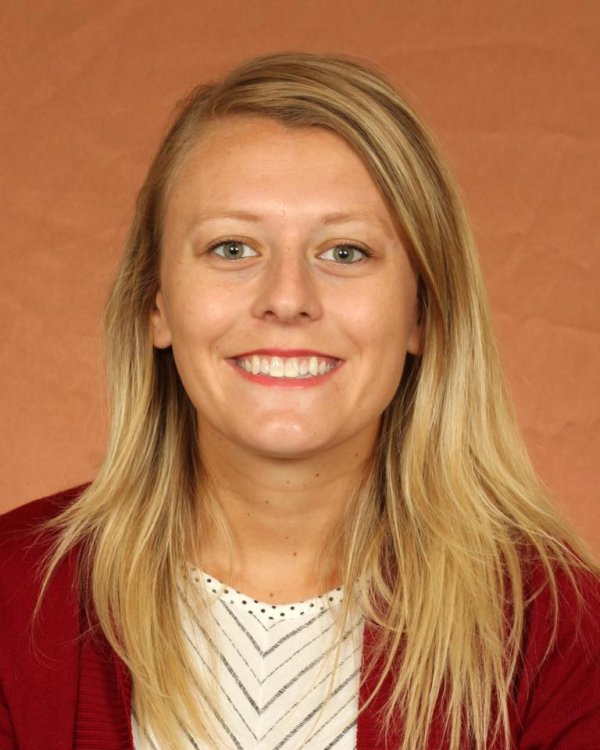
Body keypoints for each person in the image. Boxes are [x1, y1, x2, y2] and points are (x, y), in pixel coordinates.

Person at [1, 52, 599, 750]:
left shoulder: (557, 632)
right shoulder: (12, 601)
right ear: (155, 303)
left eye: (345, 253)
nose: (287, 299)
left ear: (421, 313)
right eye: (231, 248)